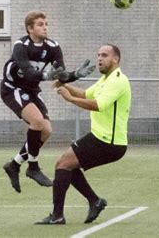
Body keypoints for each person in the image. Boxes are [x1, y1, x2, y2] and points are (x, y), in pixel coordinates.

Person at [35, 44, 131, 225]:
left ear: (115, 59)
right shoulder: (105, 79)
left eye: (104, 55)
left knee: (62, 163)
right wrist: (65, 84)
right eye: (98, 55)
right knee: (67, 165)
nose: (99, 58)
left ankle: (58, 215)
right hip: (102, 138)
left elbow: (97, 104)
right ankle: (94, 201)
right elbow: (87, 94)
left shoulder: (118, 80)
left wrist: (70, 99)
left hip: (108, 142)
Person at [1, 11, 66, 193]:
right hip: (13, 88)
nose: (45, 27)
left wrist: (74, 75)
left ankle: (14, 165)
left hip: (32, 91)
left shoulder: (53, 47)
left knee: (46, 130)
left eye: (46, 23)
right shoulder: (20, 45)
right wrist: (47, 75)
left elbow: (61, 74)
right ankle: (33, 167)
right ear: (30, 28)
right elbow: (28, 72)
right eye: (40, 24)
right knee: (37, 121)